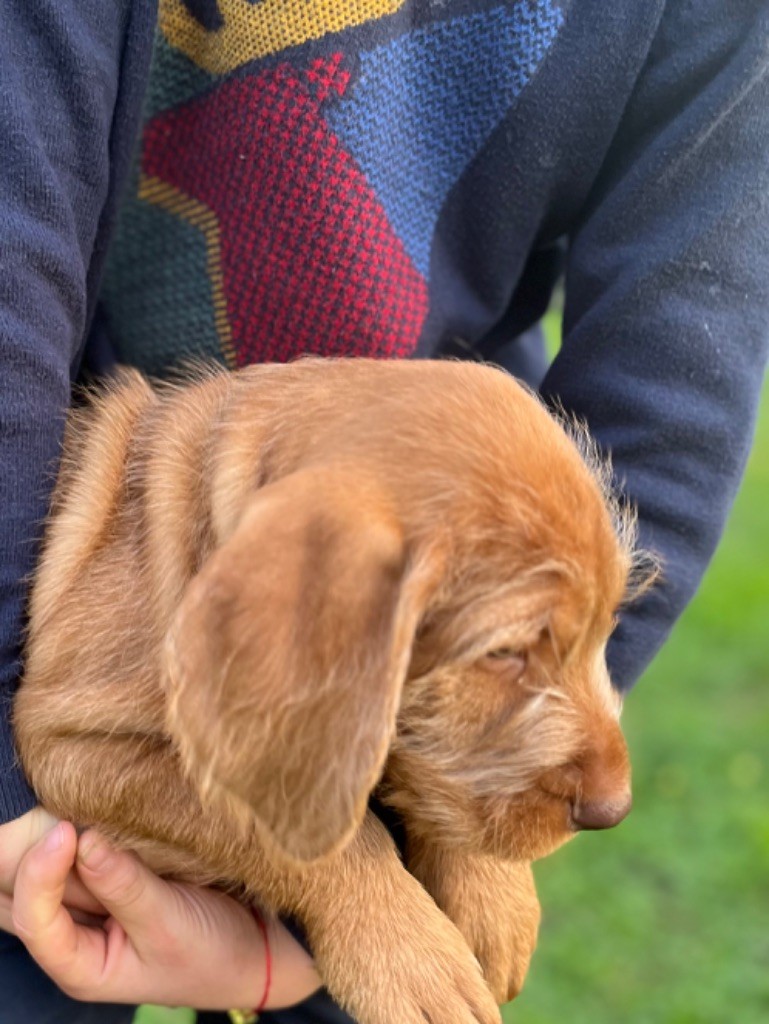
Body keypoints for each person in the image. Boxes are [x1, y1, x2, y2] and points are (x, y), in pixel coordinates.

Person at [1, 0, 768, 1020]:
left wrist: (449, 821)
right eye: (516, 655)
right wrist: (336, 882)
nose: (608, 792)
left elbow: (672, 385)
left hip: (393, 636)